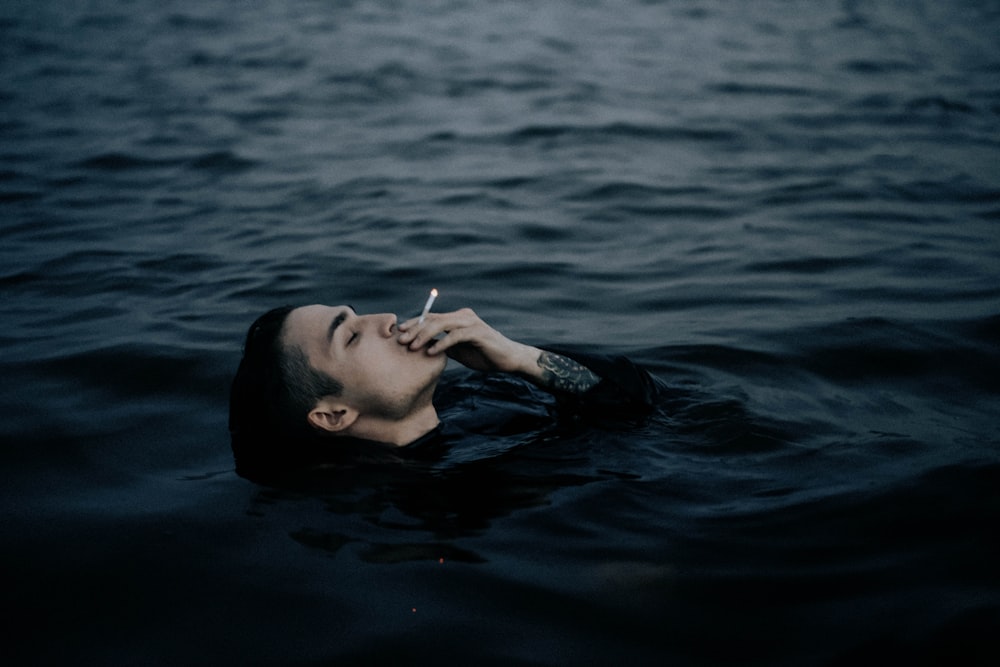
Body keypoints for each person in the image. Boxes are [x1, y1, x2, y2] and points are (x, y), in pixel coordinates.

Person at [229, 304, 660, 483]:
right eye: (352, 336)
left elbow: (640, 399)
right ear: (334, 414)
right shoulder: (421, 504)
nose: (388, 319)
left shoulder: (483, 390)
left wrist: (518, 358)